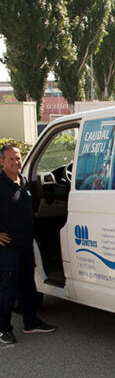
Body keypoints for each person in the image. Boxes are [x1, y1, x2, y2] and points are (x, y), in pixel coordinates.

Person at [0, 144, 56, 345]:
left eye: (18, 157)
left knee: (28, 286)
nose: (16, 162)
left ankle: (30, 322)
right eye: (11, 159)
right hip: (9, 248)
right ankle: (3, 329)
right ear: (2, 162)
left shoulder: (23, 181)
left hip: (26, 244)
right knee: (8, 289)